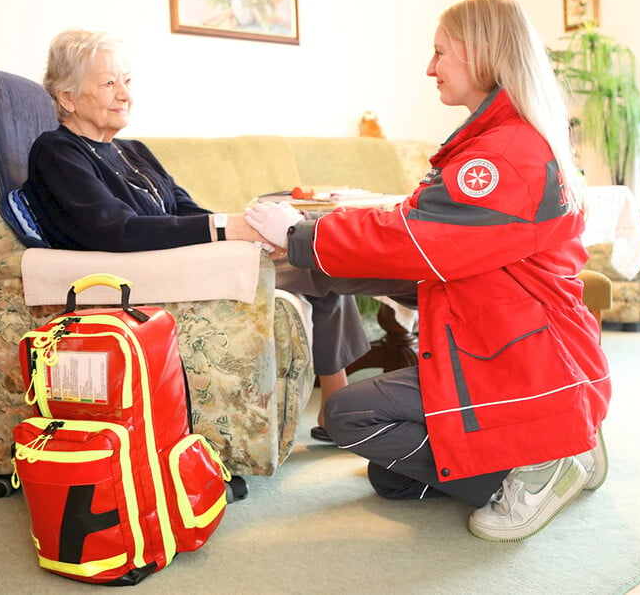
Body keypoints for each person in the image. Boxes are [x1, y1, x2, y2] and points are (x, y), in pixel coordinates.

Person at [245, 0, 611, 542]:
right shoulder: (501, 140)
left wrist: (303, 236)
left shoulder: (502, 155)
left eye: (440, 53)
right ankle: (560, 433)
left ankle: (540, 463)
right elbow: (421, 235)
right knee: (390, 478)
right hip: (511, 333)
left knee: (347, 416)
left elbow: (414, 238)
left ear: (482, 53)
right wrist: (310, 250)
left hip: (516, 351)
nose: (429, 68)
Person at [21, 29, 416, 441]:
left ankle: (335, 407)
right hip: (150, 273)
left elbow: (187, 209)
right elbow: (114, 229)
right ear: (67, 98)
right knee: (316, 259)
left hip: (187, 258)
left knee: (318, 257)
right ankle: (413, 300)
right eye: (108, 83)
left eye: (127, 81)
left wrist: (247, 230)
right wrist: (226, 229)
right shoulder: (58, 152)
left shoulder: (132, 150)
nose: (124, 94)